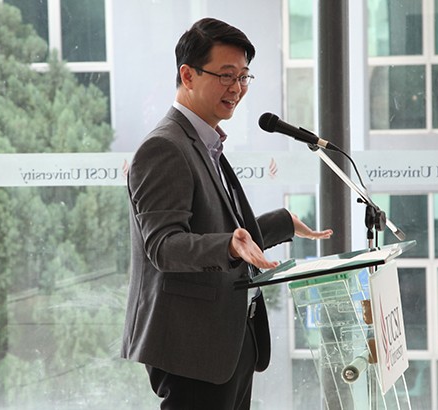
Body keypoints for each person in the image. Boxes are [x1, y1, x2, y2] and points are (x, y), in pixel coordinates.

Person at [121, 17, 333, 410]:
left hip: (227, 342)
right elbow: (163, 246)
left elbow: (219, 228)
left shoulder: (204, 142)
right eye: (225, 75)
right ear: (187, 75)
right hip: (193, 348)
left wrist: (281, 223)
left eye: (243, 77)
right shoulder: (165, 147)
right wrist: (230, 247)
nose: (237, 88)